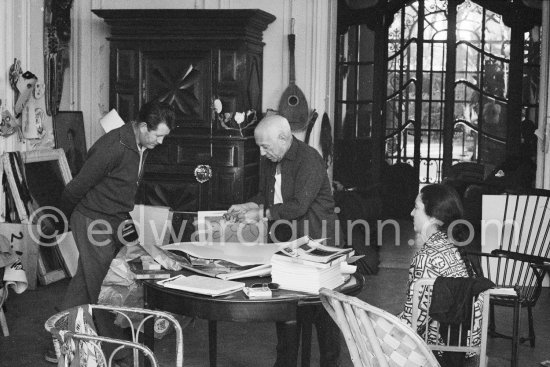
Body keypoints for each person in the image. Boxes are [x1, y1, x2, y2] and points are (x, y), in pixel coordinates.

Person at [44, 101, 175, 364]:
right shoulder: (112, 147)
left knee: (85, 282)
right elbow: (75, 188)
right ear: (141, 126)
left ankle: (63, 345)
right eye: (158, 135)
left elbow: (119, 191)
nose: (160, 142)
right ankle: (117, 349)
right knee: (101, 286)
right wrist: (61, 221)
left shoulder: (140, 144)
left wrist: (127, 227)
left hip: (113, 218)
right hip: (92, 220)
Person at [227, 115, 342, 367]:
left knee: (324, 313)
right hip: (287, 243)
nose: (261, 151)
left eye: (265, 146)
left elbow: (298, 205)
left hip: (317, 242)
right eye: (259, 146)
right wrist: (249, 204)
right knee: (287, 308)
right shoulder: (271, 158)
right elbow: (267, 196)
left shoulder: (309, 159)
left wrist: (262, 214)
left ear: (284, 138)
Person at [398, 184, 485, 365]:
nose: (411, 213)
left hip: (439, 352)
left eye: (416, 208)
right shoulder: (457, 246)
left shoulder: (426, 257)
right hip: (468, 351)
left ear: (433, 216)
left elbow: (413, 321)